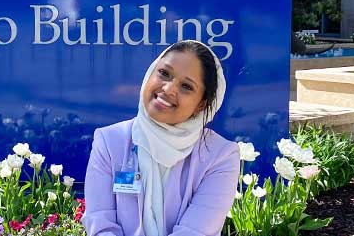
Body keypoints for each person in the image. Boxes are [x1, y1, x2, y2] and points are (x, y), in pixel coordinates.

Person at [82, 40, 240, 236]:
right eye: (164, 74)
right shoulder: (109, 141)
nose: (168, 89)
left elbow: (195, 232)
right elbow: (101, 225)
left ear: (201, 104)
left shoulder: (220, 157)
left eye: (186, 86)